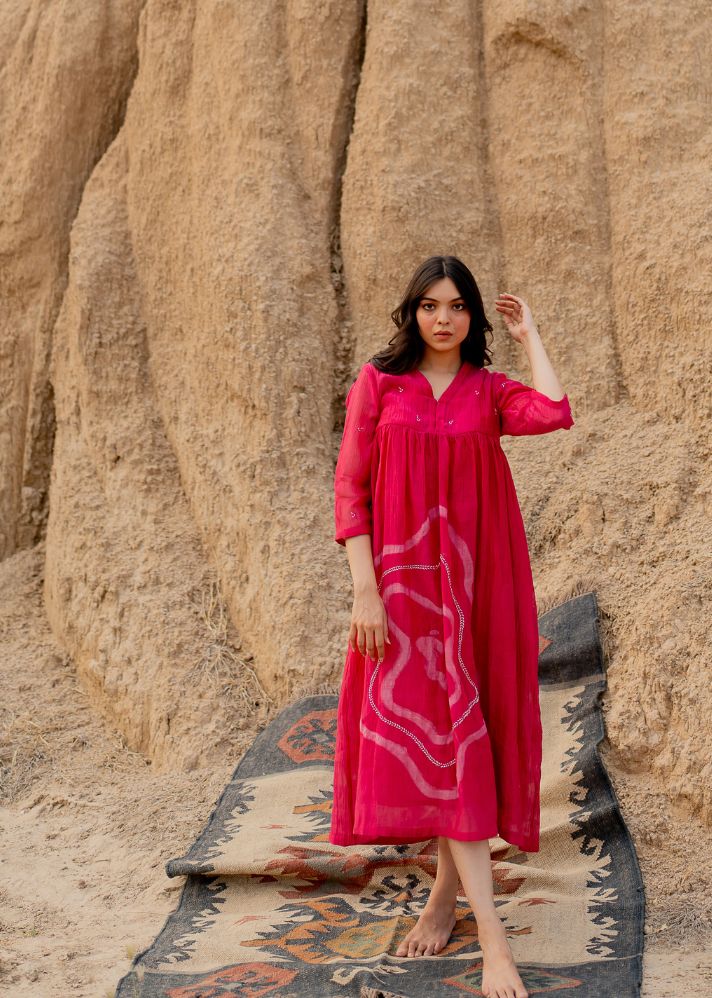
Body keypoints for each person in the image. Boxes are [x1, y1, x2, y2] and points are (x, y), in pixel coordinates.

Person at [329, 255, 574, 998]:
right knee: (441, 738)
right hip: (401, 593)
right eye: (431, 305)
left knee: (461, 737)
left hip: (476, 589)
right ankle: (490, 938)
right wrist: (364, 593)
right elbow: (351, 487)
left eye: (457, 306)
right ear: (413, 313)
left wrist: (531, 335)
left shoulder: (488, 391)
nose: (444, 318)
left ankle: (451, 903)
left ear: (472, 316)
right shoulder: (381, 384)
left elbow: (555, 411)